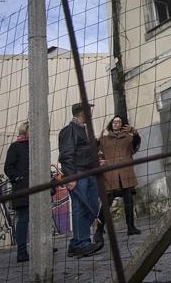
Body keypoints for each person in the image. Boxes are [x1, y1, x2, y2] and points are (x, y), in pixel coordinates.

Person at [58, 102, 103, 258]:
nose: (91, 112)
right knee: (80, 208)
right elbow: (66, 155)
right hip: (78, 174)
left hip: (90, 173)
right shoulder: (69, 130)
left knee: (93, 206)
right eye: (88, 110)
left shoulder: (84, 130)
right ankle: (82, 244)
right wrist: (71, 177)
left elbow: (85, 152)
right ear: (81, 112)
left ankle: (75, 242)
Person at [94, 115, 142, 243]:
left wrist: (135, 133)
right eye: (114, 122)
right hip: (110, 176)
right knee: (106, 204)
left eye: (119, 122)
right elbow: (94, 151)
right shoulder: (104, 139)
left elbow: (136, 146)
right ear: (111, 124)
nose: (116, 123)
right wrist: (97, 141)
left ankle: (131, 227)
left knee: (128, 202)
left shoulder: (128, 138)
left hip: (125, 175)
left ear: (122, 124)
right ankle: (98, 231)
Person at [4, 122, 30, 263]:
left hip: (38, 188)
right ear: (25, 131)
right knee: (23, 220)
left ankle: (44, 246)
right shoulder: (15, 146)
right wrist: (17, 178)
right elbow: (8, 167)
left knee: (42, 217)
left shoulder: (37, 146)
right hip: (22, 189)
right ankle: (21, 252)